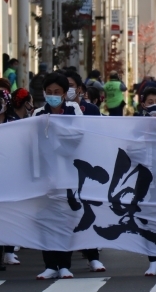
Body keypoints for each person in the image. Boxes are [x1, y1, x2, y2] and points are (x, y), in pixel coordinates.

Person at [32, 72, 94, 279]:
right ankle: (50, 264)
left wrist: (56, 143)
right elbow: (33, 145)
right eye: (49, 92)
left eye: (56, 92)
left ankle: (64, 264)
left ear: (64, 93)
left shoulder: (73, 110)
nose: (52, 96)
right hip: (46, 176)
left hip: (69, 175)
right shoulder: (38, 114)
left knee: (66, 220)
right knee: (47, 220)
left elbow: (77, 138)